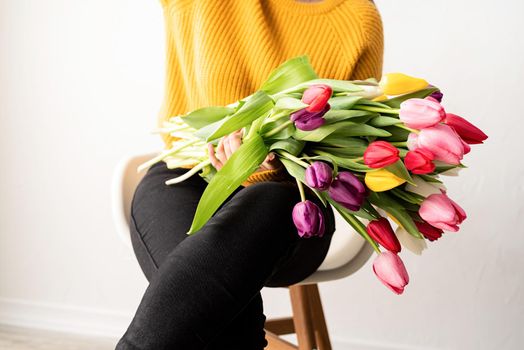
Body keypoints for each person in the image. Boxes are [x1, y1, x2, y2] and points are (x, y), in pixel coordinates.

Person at [115, 0, 383, 348]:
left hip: (293, 207)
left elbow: (352, 150)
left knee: (268, 202)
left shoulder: (357, 20)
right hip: (184, 180)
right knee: (217, 318)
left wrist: (280, 162)